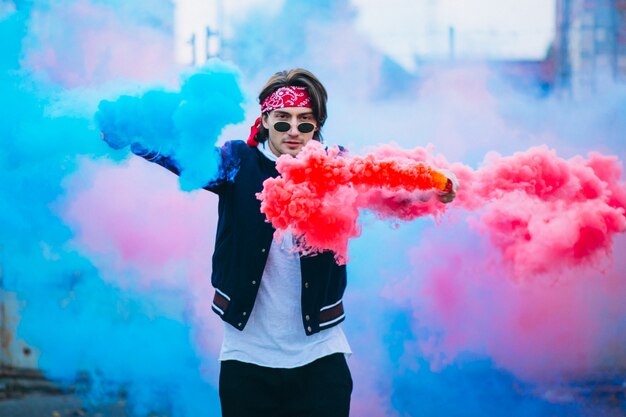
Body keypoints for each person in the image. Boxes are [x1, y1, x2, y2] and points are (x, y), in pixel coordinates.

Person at [104, 68, 457, 417]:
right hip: (247, 358)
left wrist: (430, 190)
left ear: (316, 125)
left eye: (304, 122)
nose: (293, 131)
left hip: (320, 357)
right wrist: (137, 139)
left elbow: (380, 188)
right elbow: (188, 160)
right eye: (283, 119)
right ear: (266, 119)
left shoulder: (335, 167)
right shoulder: (237, 163)